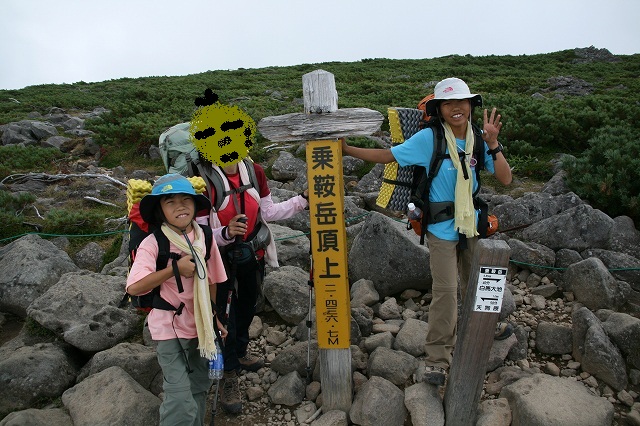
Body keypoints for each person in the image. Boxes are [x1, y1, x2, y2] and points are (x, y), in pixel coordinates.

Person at [341, 77, 513, 386]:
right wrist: (348, 149)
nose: (456, 108)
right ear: (440, 109)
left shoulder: (478, 137)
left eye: (462, 102)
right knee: (446, 294)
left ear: (471, 106)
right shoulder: (428, 139)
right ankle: (437, 359)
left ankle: (487, 326)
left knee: (478, 282)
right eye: (448, 103)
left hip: (472, 223)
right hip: (440, 228)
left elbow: (505, 179)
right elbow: (388, 156)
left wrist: (493, 144)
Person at [195, 157, 309, 414]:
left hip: (251, 254)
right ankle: (229, 373)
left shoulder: (254, 171)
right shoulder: (203, 180)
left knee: (248, 307)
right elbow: (196, 231)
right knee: (226, 318)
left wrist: (302, 199)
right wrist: (226, 232)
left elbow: (266, 212)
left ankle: (241, 351)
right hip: (218, 261)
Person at [126, 173, 228, 426]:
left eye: (186, 199)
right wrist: (175, 269)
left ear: (195, 205)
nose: (180, 206)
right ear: (160, 211)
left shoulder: (204, 236)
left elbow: (213, 279)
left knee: (199, 388)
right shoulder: (152, 243)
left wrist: (215, 318)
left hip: (201, 328)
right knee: (180, 398)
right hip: (168, 328)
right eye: (170, 201)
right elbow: (134, 287)